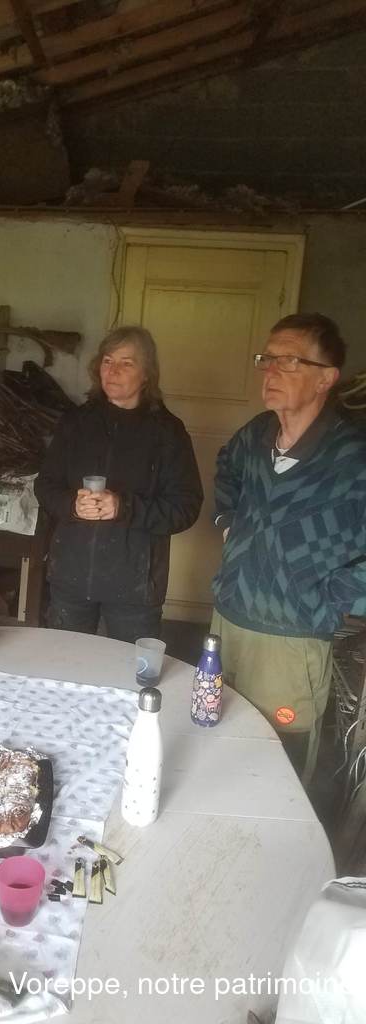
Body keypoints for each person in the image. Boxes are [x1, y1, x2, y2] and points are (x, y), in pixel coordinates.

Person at [211, 312, 366, 783]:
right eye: (268, 359)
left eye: (290, 361)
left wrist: (333, 595)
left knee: (279, 766)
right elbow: (226, 468)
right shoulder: (257, 434)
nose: (272, 371)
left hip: (292, 638)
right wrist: (227, 522)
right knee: (215, 737)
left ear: (326, 378)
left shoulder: (352, 457)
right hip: (229, 618)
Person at [34, 325, 203, 643]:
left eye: (127, 363)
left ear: (146, 374)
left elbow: (185, 507)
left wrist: (123, 507)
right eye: (108, 361)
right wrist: (72, 505)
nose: (113, 371)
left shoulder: (167, 432)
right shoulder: (76, 422)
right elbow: (45, 485)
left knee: (130, 670)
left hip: (134, 586)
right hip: (72, 576)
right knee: (65, 664)